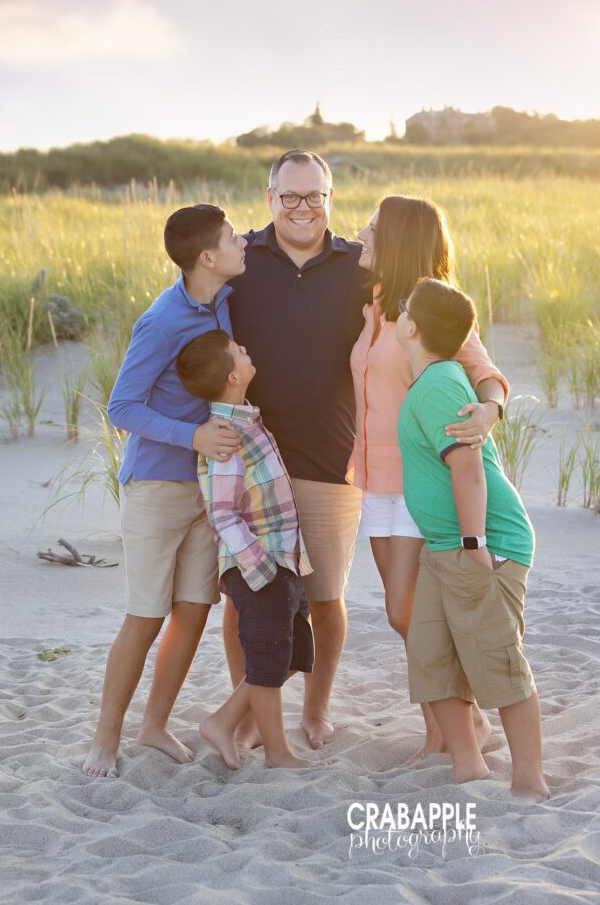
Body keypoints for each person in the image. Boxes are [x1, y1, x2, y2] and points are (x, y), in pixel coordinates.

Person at [224, 151, 489, 752]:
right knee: (245, 602)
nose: (302, 208)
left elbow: (454, 333)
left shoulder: (359, 270)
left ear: (330, 197)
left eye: (315, 196)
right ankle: (248, 717)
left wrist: (492, 402)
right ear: (270, 198)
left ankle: (316, 713)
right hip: (253, 459)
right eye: (290, 196)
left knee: (326, 599)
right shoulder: (242, 260)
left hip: (336, 461)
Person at [82, 204, 245, 778]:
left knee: (194, 611)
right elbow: (122, 406)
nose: (242, 240)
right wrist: (193, 434)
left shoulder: (223, 297)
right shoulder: (161, 320)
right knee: (146, 616)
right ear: (207, 257)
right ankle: (105, 739)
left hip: (207, 489)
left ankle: (154, 726)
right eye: (232, 237)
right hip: (156, 485)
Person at [351, 195, 509, 759]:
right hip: (373, 477)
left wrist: (490, 410)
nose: (361, 233)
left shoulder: (428, 311)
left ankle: (465, 724)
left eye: (371, 226)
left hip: (421, 481)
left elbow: (486, 374)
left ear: (396, 238)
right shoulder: (373, 305)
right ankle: (441, 729)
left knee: (408, 611)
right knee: (406, 616)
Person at [396, 277, 549, 801]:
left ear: (410, 326)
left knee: (497, 659)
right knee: (430, 656)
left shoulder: (439, 382)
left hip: (480, 546)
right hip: (445, 547)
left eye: (403, 308)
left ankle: (529, 780)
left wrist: (472, 542)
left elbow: (468, 470)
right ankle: (468, 766)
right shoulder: (435, 379)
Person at [175, 329, 318, 769]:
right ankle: (278, 753)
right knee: (270, 656)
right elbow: (222, 513)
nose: (246, 349)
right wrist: (261, 568)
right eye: (239, 350)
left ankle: (223, 720)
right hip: (260, 565)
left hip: (283, 559)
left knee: (293, 654)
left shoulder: (246, 419)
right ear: (234, 376)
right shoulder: (225, 435)